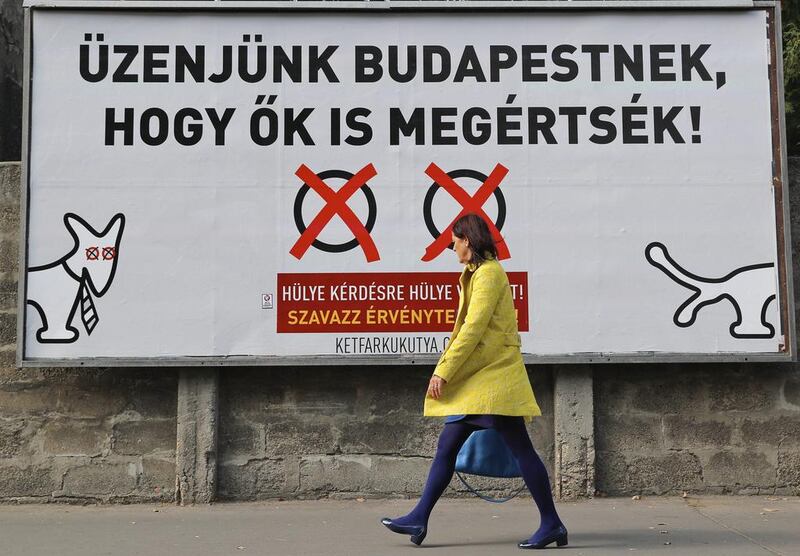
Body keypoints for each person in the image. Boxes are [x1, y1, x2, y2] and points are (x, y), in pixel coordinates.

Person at [380, 213, 567, 550]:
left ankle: (552, 523)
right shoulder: (476, 273)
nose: (452, 247)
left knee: (521, 450)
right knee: (447, 445)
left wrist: (443, 370)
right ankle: (419, 517)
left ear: (468, 240)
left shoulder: (489, 275)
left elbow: (473, 329)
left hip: (494, 379)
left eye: (454, 241)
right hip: (482, 380)